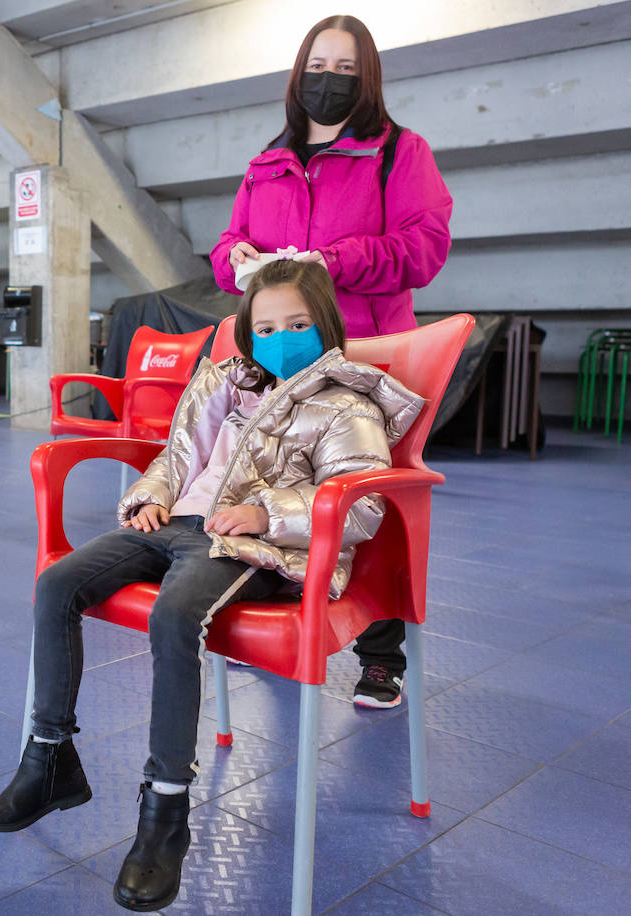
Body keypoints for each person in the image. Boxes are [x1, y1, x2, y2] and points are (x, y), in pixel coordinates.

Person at [0, 260, 423, 912]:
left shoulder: (345, 405)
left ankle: (165, 812)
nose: (280, 338)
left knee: (175, 616)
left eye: (297, 324)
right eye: (265, 328)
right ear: (247, 333)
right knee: (57, 584)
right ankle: (48, 762)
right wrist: (151, 496)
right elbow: (177, 457)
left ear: (325, 325)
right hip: (174, 524)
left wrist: (265, 513)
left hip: (250, 546)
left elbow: (359, 506)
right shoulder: (228, 386)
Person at [210, 14, 452, 709]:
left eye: (346, 69)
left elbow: (424, 247)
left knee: (365, 501)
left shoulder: (400, 153)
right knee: (274, 489)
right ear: (298, 71)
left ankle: (381, 656)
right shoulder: (268, 162)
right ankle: (287, 618)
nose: (330, 79)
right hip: (282, 360)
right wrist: (240, 262)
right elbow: (228, 245)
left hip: (365, 356)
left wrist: (333, 262)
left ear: (367, 77)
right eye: (320, 64)